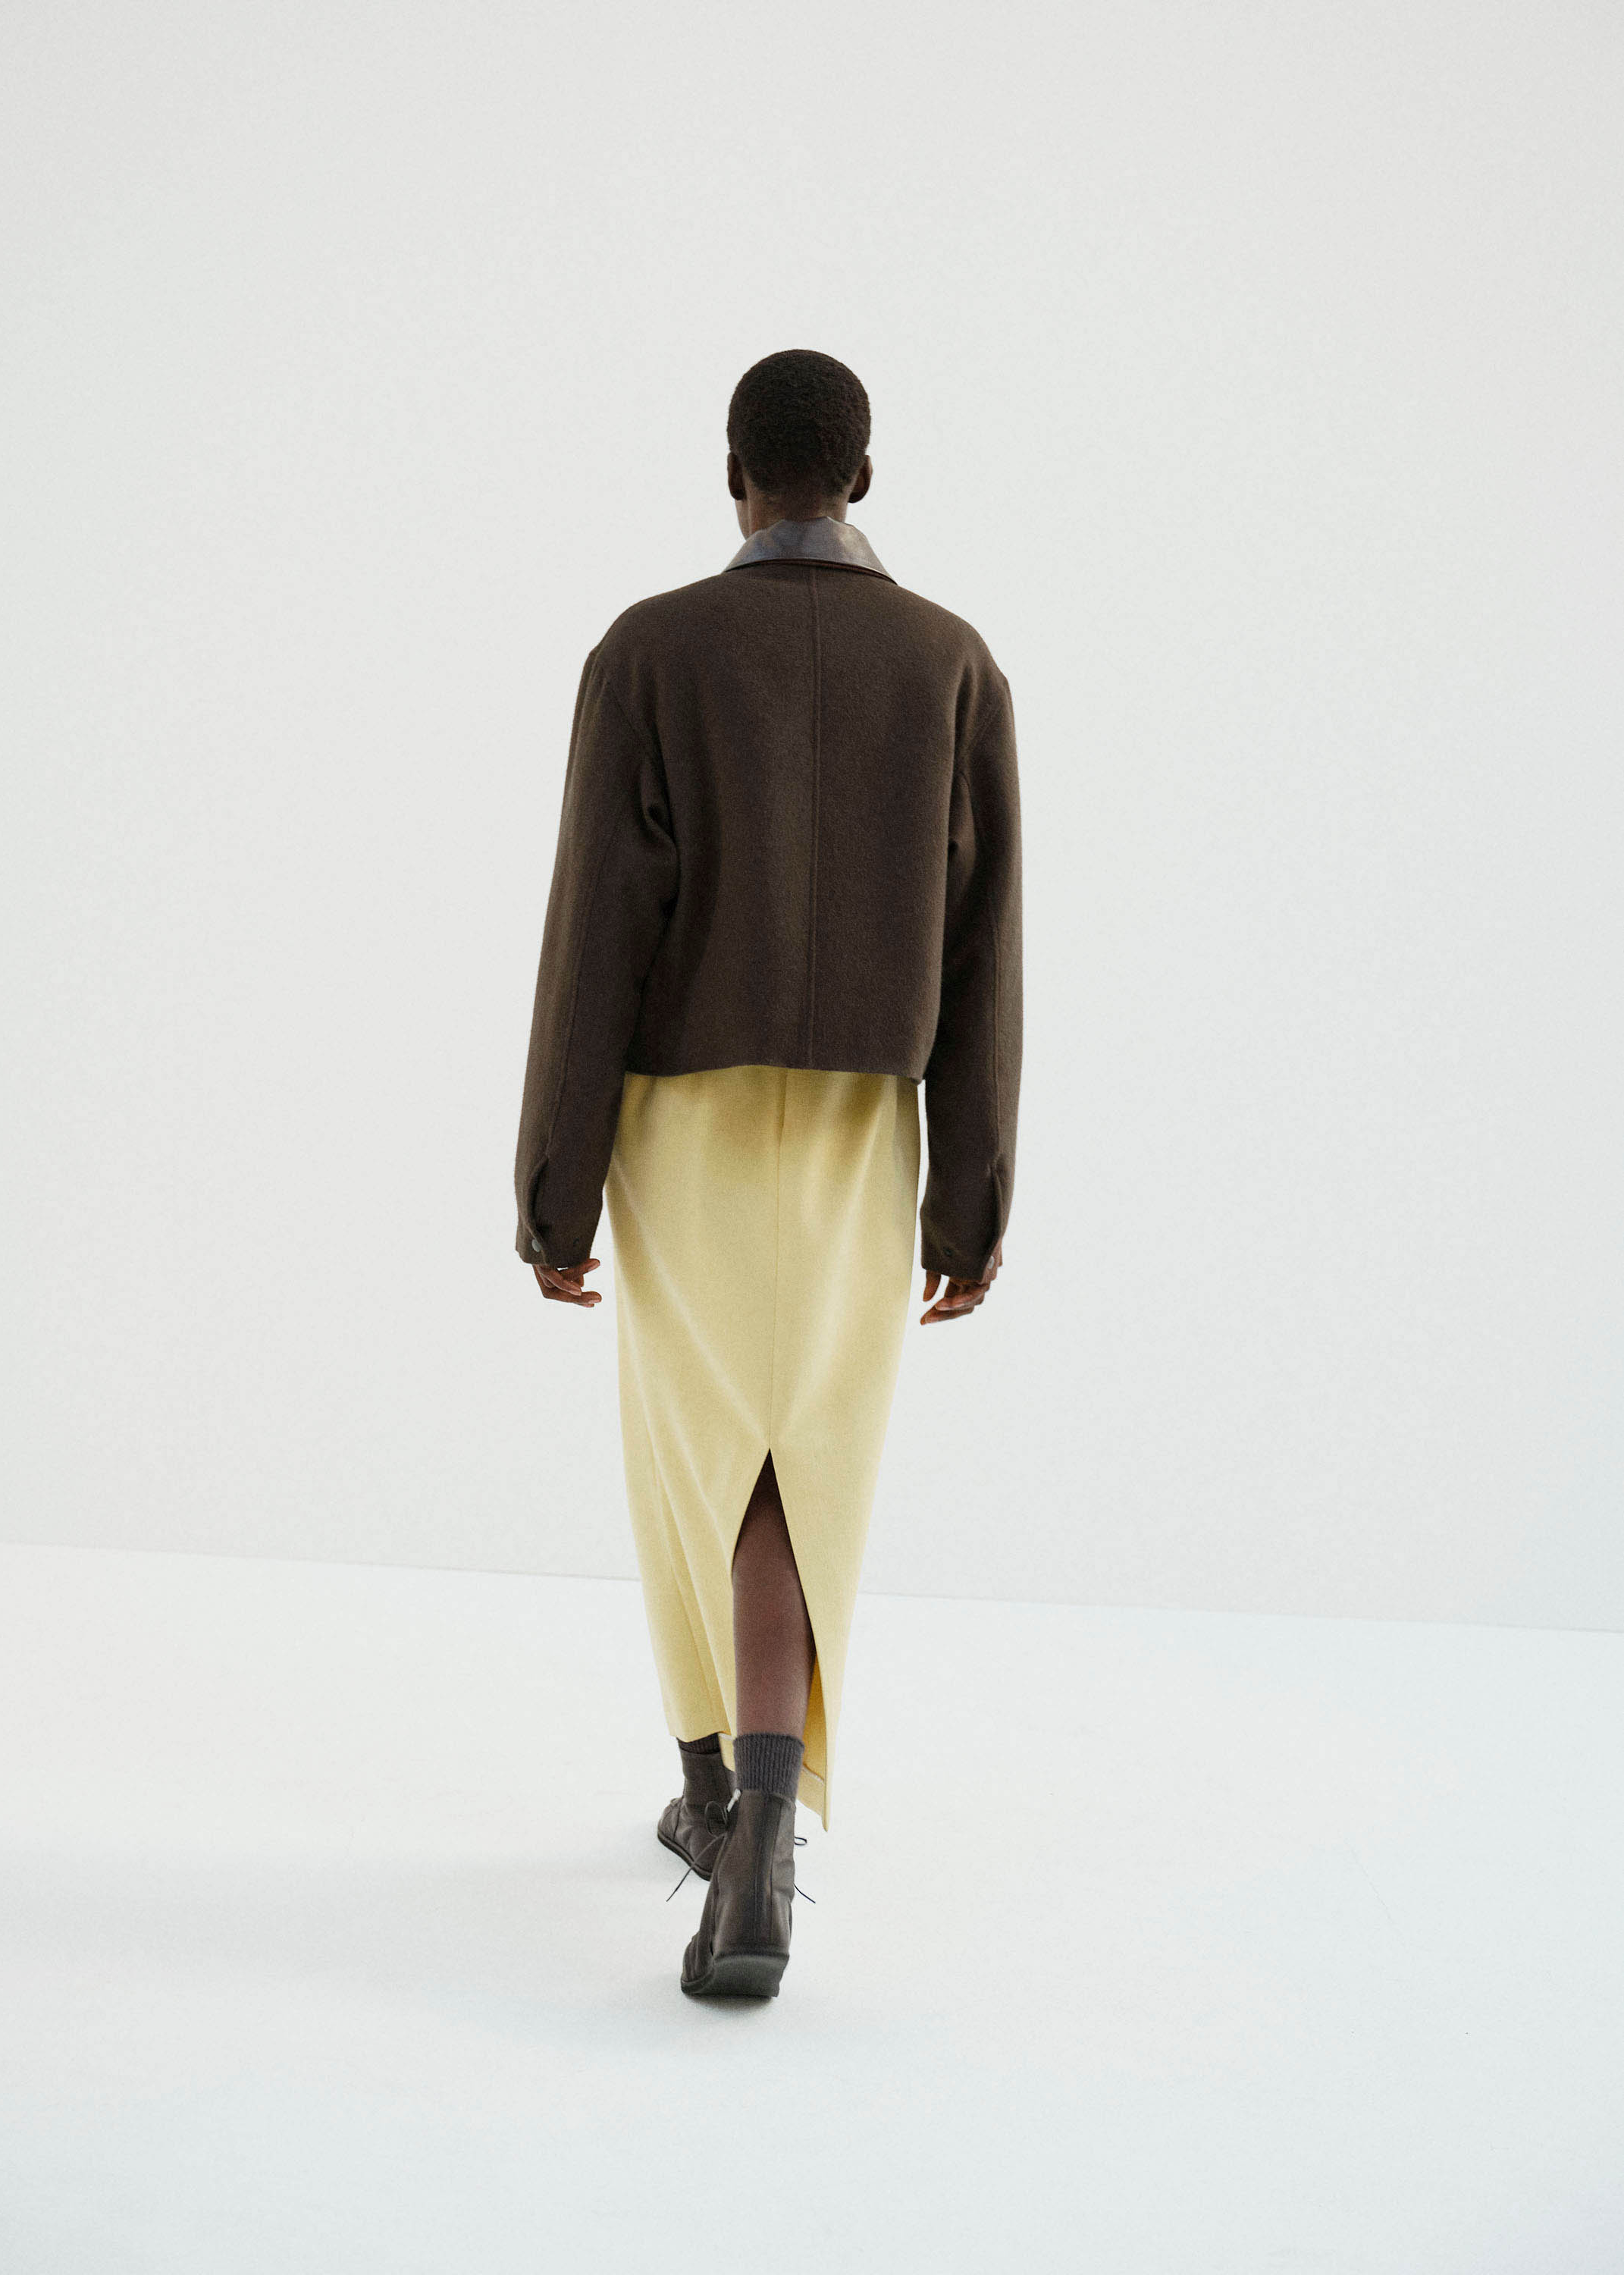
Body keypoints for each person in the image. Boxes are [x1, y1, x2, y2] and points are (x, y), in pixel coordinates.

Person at [513, 348, 1022, 1999]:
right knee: (808, 1465)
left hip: (682, 1117)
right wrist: (971, 1201)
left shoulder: (650, 651)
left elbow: (596, 931)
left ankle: (736, 1821)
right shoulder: (950, 661)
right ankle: (744, 1813)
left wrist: (554, 1187)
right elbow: (984, 950)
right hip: (866, 1121)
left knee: (698, 1452)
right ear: (859, 475)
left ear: (733, 473)